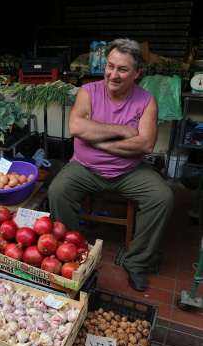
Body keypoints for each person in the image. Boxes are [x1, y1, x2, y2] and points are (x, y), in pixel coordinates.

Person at [48, 38, 174, 292]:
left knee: (162, 197)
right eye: (110, 66)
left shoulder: (147, 100)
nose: (113, 75)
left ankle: (136, 262)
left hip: (130, 171)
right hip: (85, 166)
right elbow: (76, 127)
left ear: (137, 73)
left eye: (123, 69)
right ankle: (73, 252)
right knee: (58, 191)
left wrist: (101, 143)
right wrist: (124, 131)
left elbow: (146, 145)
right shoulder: (88, 91)